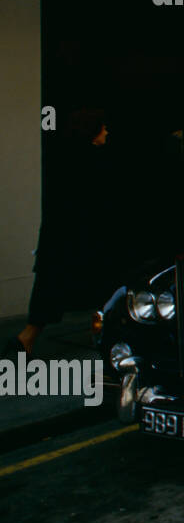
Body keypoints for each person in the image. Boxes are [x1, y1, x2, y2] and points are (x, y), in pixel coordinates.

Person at [5, 109, 119, 359]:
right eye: (103, 128)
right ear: (92, 132)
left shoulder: (65, 158)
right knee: (106, 288)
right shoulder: (93, 161)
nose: (107, 132)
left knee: (50, 287)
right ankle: (108, 341)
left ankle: (27, 338)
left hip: (61, 239)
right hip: (79, 238)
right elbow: (98, 203)